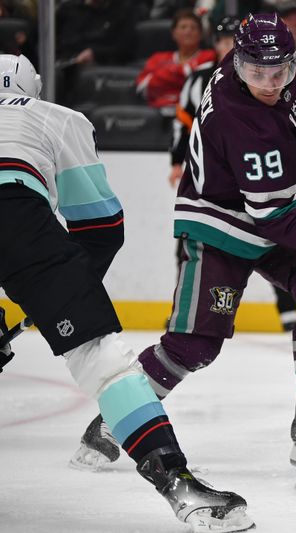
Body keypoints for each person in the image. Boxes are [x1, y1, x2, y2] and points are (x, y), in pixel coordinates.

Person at [70, 12, 296, 470]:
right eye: (257, 72)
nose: (268, 81)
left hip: (262, 215)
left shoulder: (243, 68)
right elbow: (277, 217)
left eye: (279, 71)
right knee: (193, 345)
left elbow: (287, 93)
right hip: (220, 225)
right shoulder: (246, 125)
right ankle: (111, 421)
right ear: (237, 63)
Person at [0, 54, 253, 532]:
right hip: (18, 214)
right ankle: (178, 483)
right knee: (104, 360)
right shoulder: (56, 117)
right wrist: (57, 300)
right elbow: (99, 228)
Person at [168, 16, 296, 332]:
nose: (227, 45)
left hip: (254, 169)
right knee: (194, 243)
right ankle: (188, 308)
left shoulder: (265, 78)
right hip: (215, 176)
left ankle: (286, 308)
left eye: (232, 40)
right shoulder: (200, 80)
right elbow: (183, 124)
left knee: (271, 232)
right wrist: (176, 160)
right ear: (216, 45)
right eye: (222, 40)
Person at [136, 8, 216, 110]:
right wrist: (181, 72)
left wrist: (163, 76)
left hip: (193, 112)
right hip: (158, 112)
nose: (188, 31)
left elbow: (201, 86)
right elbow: (143, 88)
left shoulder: (210, 56)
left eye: (193, 28)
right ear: (174, 33)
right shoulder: (157, 58)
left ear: (200, 34)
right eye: (183, 27)